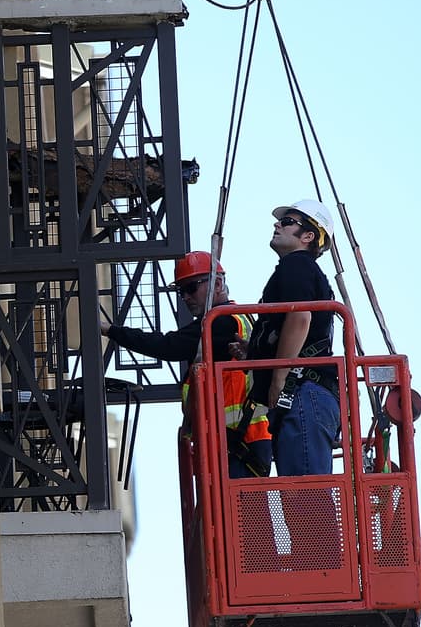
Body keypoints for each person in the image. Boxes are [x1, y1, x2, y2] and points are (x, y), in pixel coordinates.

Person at [100, 251, 272, 477]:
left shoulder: (220, 323)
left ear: (218, 284)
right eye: (181, 291)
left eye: (191, 288)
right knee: (245, 510)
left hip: (239, 443)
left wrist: (110, 330)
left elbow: (167, 345)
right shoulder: (238, 319)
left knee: (242, 510)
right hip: (238, 441)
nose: (185, 297)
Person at [247, 199, 341, 477]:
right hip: (309, 393)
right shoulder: (302, 270)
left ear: (308, 236)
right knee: (303, 506)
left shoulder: (296, 265)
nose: (278, 224)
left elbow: (300, 318)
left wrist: (278, 378)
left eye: (288, 222)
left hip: (301, 392)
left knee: (305, 506)